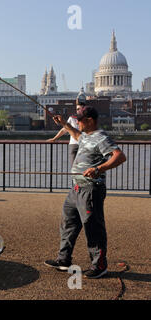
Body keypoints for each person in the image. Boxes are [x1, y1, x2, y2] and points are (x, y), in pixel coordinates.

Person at [45, 106, 127, 279]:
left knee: (93, 227)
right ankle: (63, 260)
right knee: (68, 224)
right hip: (75, 188)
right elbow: (77, 136)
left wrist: (98, 168)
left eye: (79, 119)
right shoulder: (87, 136)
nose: (77, 122)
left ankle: (99, 266)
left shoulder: (101, 137)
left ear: (89, 120)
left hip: (90, 189)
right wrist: (64, 125)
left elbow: (119, 156)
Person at [47, 89, 87, 166]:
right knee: (74, 166)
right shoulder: (72, 118)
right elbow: (64, 129)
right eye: (77, 109)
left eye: (80, 109)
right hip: (74, 144)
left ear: (84, 109)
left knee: (84, 165)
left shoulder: (88, 119)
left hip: (84, 145)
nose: (78, 111)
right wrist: (54, 139)